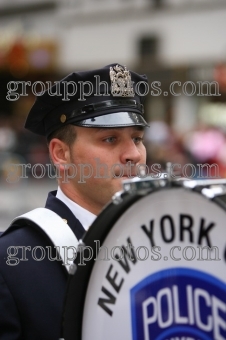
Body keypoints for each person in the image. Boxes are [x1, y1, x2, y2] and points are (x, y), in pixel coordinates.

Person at [0, 63, 149, 339]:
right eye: (110, 139)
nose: (133, 155)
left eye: (138, 138)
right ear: (60, 154)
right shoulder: (10, 264)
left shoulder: (161, 242)